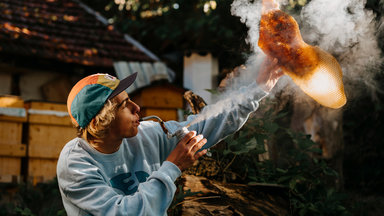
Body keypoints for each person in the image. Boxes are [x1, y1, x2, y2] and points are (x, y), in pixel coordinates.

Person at [57, 57, 282, 216]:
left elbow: (206, 123)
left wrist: (258, 89)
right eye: (124, 105)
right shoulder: (76, 164)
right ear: (99, 121)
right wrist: (172, 166)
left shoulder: (147, 134)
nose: (137, 107)